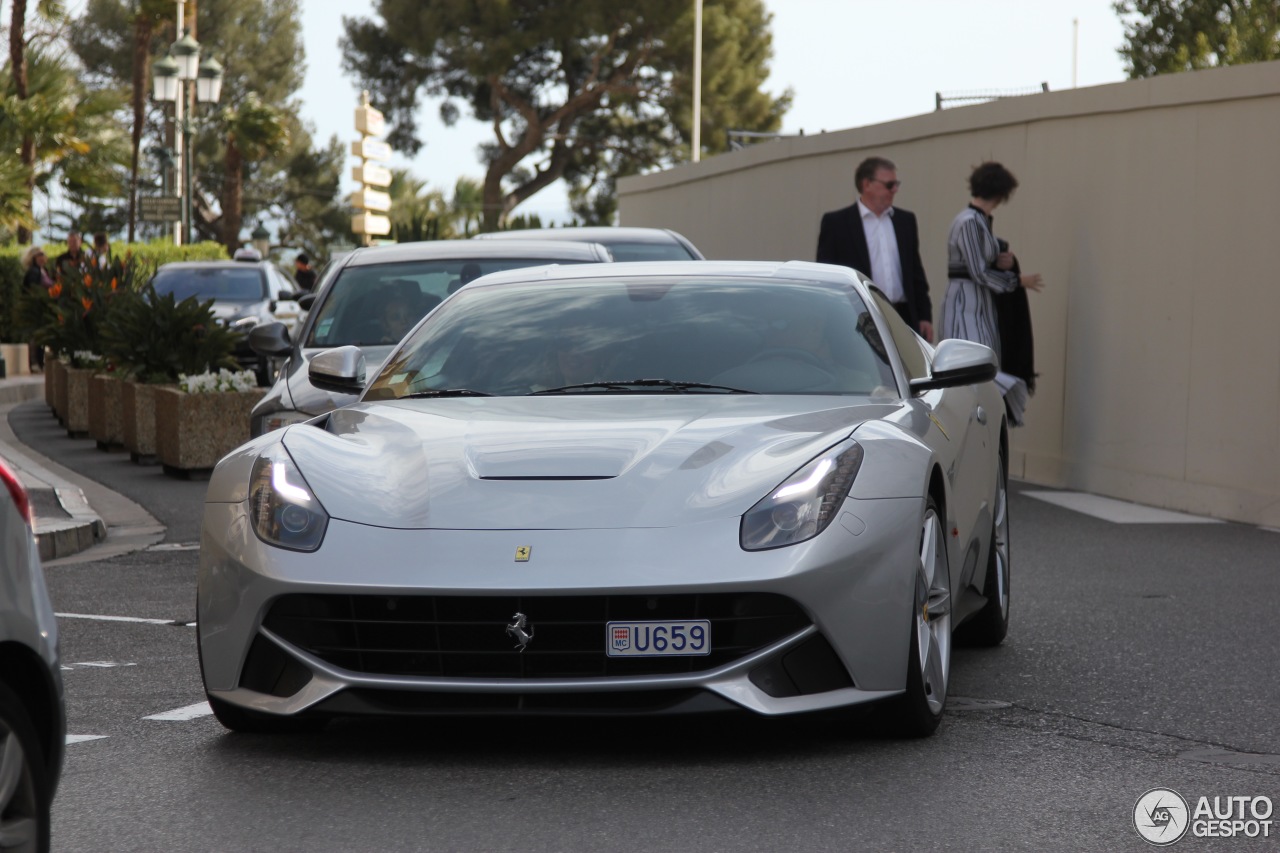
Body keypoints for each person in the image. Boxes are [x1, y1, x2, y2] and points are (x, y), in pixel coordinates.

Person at [941, 161, 1045, 425]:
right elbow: (978, 271)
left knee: (980, 367)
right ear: (1001, 193)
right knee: (972, 368)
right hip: (966, 304)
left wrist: (1003, 261)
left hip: (979, 305)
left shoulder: (978, 221)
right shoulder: (970, 222)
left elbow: (981, 263)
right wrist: (1017, 280)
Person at [816, 156, 933, 341]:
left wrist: (924, 316)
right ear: (867, 184)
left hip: (902, 317)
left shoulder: (905, 221)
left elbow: (915, 272)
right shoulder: (837, 224)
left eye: (896, 184)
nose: (894, 190)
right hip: (857, 317)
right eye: (889, 184)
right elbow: (827, 278)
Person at [20, 245, 53, 370]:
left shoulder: (44, 270)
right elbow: (33, 289)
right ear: (33, 258)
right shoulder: (34, 272)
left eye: (42, 255)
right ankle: (35, 363)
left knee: (41, 337)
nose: (42, 257)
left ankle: (40, 362)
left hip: (44, 308)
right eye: (38, 255)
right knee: (36, 336)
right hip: (36, 309)